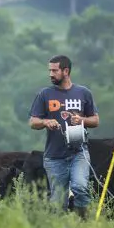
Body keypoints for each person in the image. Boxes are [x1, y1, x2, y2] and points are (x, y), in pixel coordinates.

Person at [27, 54, 99, 218]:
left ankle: (84, 223)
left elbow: (95, 120)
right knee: (58, 202)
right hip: (54, 157)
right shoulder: (44, 94)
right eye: (49, 70)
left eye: (54, 70)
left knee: (80, 187)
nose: (50, 74)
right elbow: (33, 122)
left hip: (79, 153)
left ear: (66, 71)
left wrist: (82, 120)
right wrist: (45, 122)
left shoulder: (84, 93)